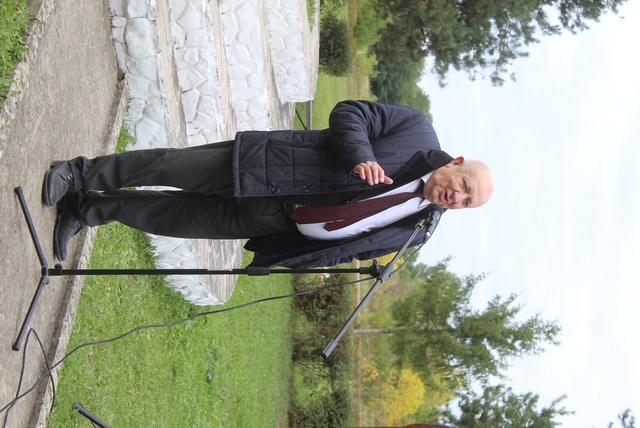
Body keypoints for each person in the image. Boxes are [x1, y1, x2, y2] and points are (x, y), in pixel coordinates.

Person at [43, 100, 493, 267]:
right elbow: (350, 113)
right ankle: (78, 173)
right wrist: (362, 156)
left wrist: (313, 259)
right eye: (463, 185)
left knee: (170, 218)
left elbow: (359, 248)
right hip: (270, 167)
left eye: (466, 203)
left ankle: (87, 209)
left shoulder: (418, 230)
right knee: (166, 168)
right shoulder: (417, 130)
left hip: (274, 223)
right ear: (456, 162)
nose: (457, 197)